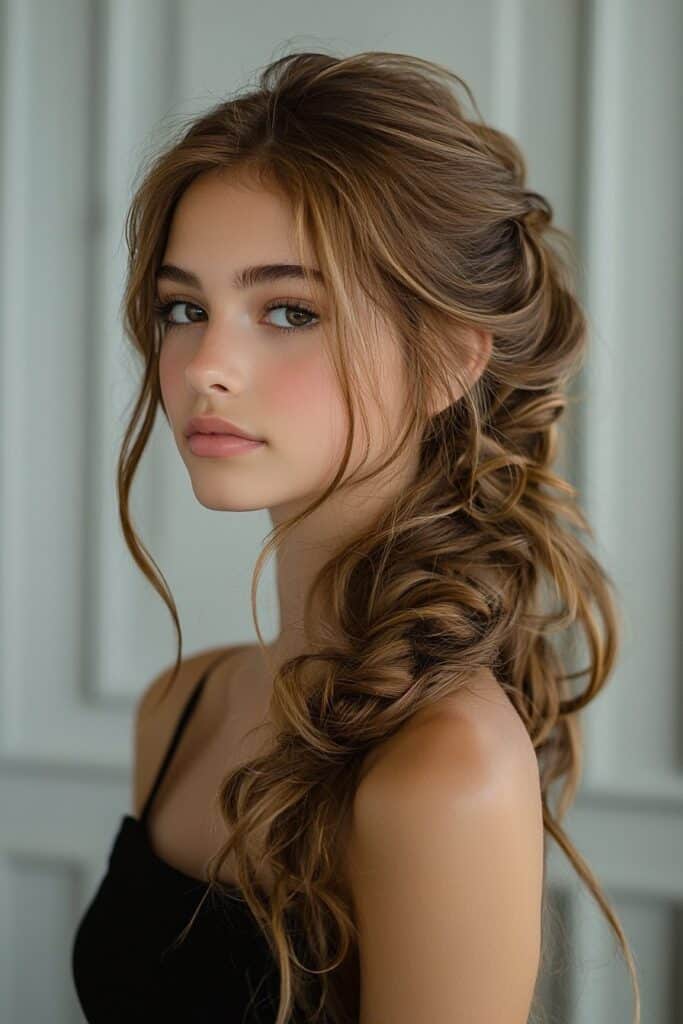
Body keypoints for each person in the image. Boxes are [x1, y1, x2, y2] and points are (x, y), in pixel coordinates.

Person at [72, 48, 640, 1024]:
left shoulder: (443, 773)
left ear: (448, 362)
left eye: (288, 310)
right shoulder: (179, 709)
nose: (206, 362)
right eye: (183, 307)